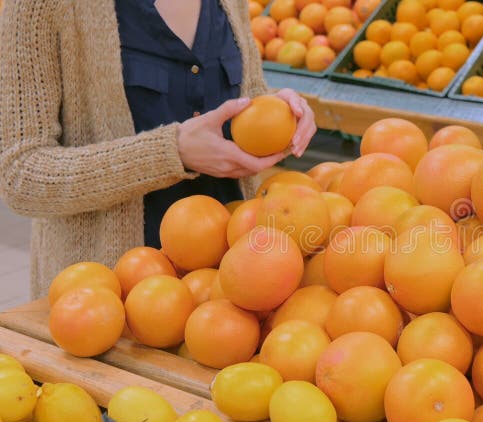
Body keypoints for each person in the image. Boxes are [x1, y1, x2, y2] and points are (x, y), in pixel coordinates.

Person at [0, 0, 317, 299]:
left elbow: (245, 95)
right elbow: (20, 172)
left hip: (234, 289)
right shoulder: (42, 6)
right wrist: (170, 153)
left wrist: (281, 109)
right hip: (106, 305)